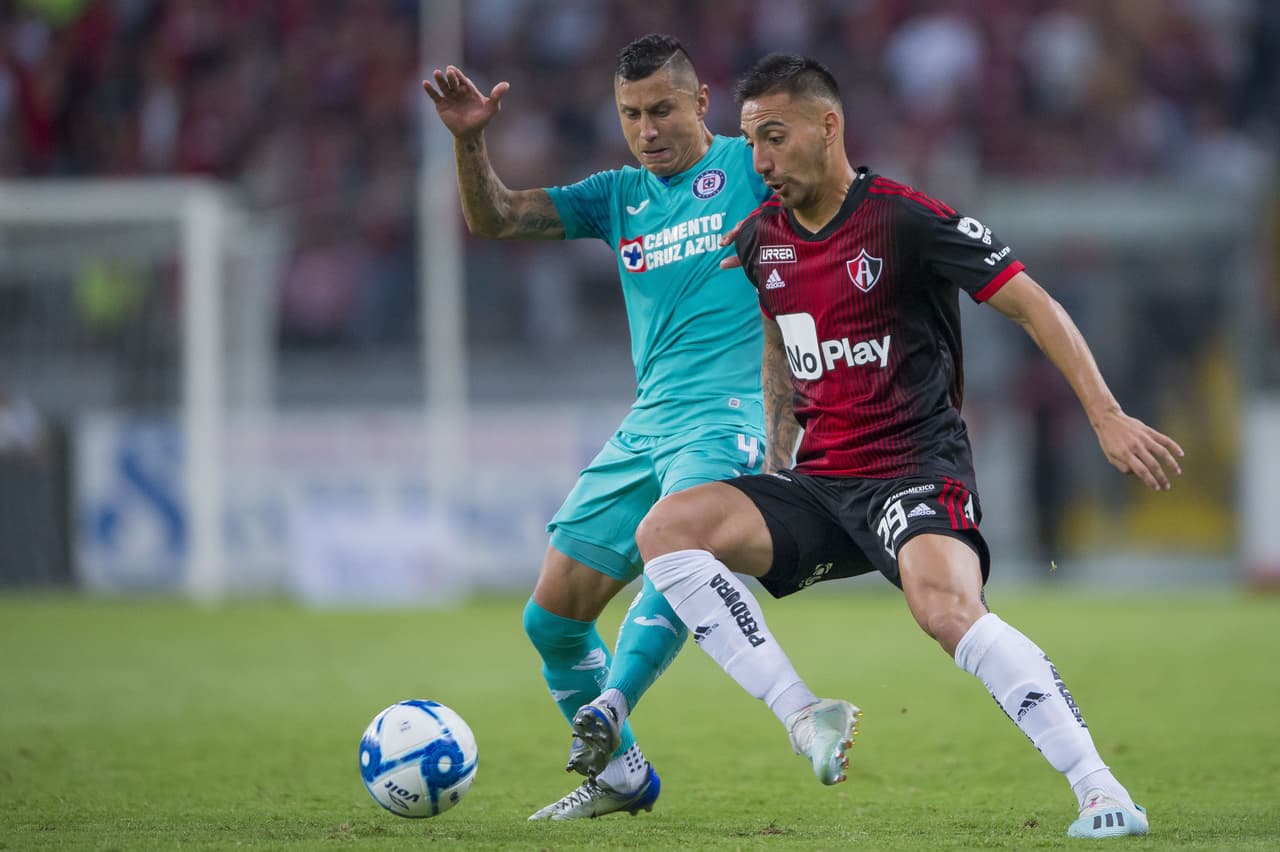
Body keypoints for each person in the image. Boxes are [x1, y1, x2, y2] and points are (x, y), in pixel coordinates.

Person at [633, 54, 1183, 839]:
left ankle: (1101, 790)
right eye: (751, 141)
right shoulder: (763, 240)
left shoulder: (904, 218)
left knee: (945, 608)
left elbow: (1035, 305)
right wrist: (777, 452)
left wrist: (1105, 415)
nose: (760, 161)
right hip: (821, 484)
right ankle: (803, 714)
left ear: (829, 127)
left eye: (776, 138)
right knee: (666, 530)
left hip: (912, 472)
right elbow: (782, 345)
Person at [422, 35, 774, 820]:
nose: (646, 129)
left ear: (700, 103)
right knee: (550, 620)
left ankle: (610, 705)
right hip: (647, 424)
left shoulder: (753, 168)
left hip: (733, 414)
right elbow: (500, 218)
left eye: (661, 111)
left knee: (677, 547)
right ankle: (621, 775)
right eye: (630, 115)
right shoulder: (619, 195)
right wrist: (470, 141)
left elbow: (837, 198)